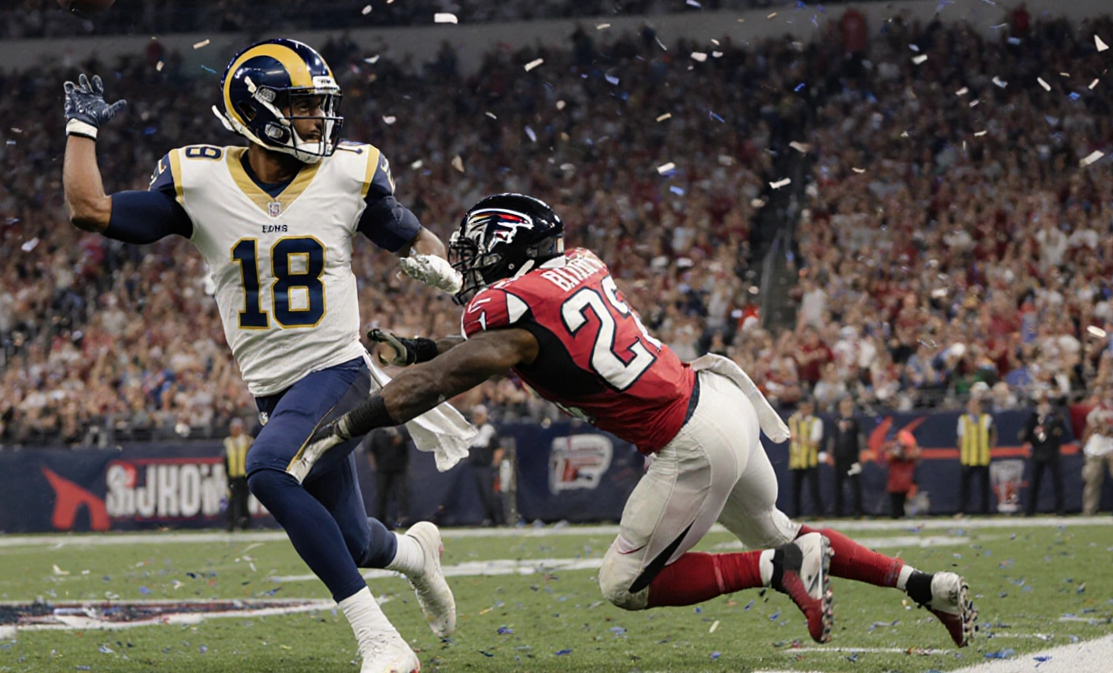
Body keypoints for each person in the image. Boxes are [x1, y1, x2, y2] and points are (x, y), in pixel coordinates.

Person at [295, 193, 976, 649]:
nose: (469, 269)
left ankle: (780, 568)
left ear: (505, 251)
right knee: (783, 528)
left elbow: (456, 374)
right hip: (718, 399)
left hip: (689, 439)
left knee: (625, 585)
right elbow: (513, 347)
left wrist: (347, 427)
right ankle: (927, 585)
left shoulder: (507, 317)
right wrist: (420, 347)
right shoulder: (573, 270)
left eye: (477, 255)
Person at [60, 39, 460, 673]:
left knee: (270, 471)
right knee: (351, 540)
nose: (318, 121)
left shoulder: (348, 174)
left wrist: (437, 268)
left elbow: (416, 236)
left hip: (339, 370)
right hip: (276, 389)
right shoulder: (201, 181)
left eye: (319, 107)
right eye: (302, 108)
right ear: (259, 110)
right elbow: (90, 210)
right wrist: (81, 128)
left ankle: (378, 638)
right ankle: (416, 555)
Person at [1020, 394, 1070, 516]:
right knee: (1034, 483)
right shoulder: (1033, 418)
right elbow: (1026, 435)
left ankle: (1060, 509)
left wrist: (1058, 431)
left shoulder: (1055, 417)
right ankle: (1030, 510)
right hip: (1038, 452)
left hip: (1052, 452)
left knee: (1057, 482)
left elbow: (1064, 434)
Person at [957, 394, 997, 515]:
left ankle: (985, 511)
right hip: (968, 457)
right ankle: (963, 510)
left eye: (975, 404)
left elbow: (993, 435)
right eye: (970, 404)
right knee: (965, 487)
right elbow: (960, 439)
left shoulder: (986, 419)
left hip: (982, 457)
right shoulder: (963, 419)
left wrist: (989, 448)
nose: (972, 407)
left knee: (984, 486)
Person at [467, 405, 506, 526]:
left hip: (486, 467)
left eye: (479, 415)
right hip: (474, 466)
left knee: (490, 494)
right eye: (476, 416)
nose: (477, 418)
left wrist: (494, 464)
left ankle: (497, 519)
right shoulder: (472, 429)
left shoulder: (489, 429)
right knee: (479, 495)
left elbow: (498, 448)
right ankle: (485, 518)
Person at [828, 397, 866, 517]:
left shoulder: (855, 419)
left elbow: (860, 437)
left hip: (852, 457)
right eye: (844, 401)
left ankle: (858, 510)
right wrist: (831, 452)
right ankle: (838, 511)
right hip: (839, 456)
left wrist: (860, 454)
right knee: (838, 484)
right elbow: (833, 437)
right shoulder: (836, 419)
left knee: (855, 483)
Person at [366, 427, 410, 528]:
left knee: (402, 493)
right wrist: (374, 466)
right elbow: (370, 450)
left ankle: (403, 519)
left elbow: (403, 439)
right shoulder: (376, 432)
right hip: (382, 469)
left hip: (399, 468)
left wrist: (396, 434)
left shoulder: (401, 428)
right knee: (381, 495)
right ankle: (380, 520)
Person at [788, 400, 824, 518]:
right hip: (796, 460)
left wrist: (800, 439)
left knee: (814, 487)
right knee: (795, 489)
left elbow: (815, 441)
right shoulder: (794, 421)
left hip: (810, 459)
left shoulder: (815, 422)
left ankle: (817, 513)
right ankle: (795, 513)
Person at [1082, 386, 1113, 515]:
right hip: (1097, 448)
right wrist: (1084, 445)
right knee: (1092, 479)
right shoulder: (1095, 411)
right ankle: (1089, 511)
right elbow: (1091, 428)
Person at [883, 428, 921, 520]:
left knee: (904, 496)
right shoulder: (894, 445)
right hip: (896, 476)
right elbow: (889, 456)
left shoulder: (910, 447)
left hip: (905, 476)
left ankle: (901, 513)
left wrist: (904, 454)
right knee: (896, 497)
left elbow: (915, 455)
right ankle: (896, 514)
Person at [223, 418, 253, 531]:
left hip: (243, 475)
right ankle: (231, 524)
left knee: (244, 501)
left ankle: (245, 523)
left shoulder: (246, 441)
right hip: (232, 476)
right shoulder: (228, 442)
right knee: (232, 501)